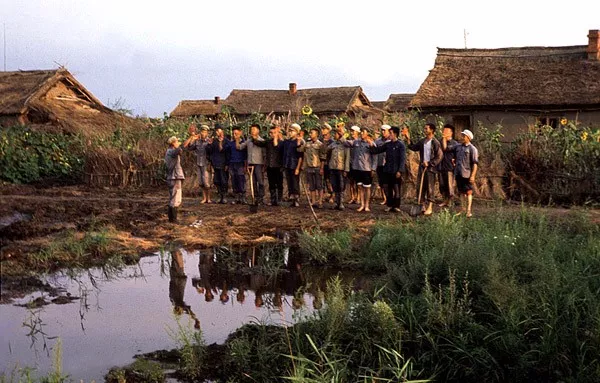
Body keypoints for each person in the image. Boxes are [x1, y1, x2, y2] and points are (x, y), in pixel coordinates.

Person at [402, 123, 443, 216]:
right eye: (424, 128)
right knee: (420, 186)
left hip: (430, 168)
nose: (424, 130)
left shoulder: (435, 142)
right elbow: (413, 147)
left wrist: (430, 163)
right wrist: (408, 138)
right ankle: (422, 205)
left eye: (426, 129)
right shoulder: (423, 141)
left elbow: (439, 156)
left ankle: (430, 207)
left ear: (432, 130)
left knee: (430, 187)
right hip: (422, 167)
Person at [369, 126, 406, 212]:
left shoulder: (400, 145)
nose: (389, 135)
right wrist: (371, 145)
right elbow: (377, 150)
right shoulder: (388, 144)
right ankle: (389, 204)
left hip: (396, 170)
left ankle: (397, 206)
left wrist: (400, 170)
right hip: (387, 169)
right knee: (386, 187)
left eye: (391, 133)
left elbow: (402, 159)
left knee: (396, 188)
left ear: (395, 134)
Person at [342, 126, 377, 212]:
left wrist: (373, 169)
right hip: (357, 168)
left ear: (367, 134)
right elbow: (345, 143)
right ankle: (361, 205)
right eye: (361, 132)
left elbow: (375, 157)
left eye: (363, 132)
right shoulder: (356, 142)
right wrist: (342, 134)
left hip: (367, 169)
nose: (361, 133)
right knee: (360, 187)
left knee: (367, 188)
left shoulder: (371, 144)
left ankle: (367, 205)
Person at [253, 125, 284, 206]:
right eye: (271, 133)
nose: (272, 134)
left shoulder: (282, 143)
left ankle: (279, 200)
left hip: (279, 167)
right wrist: (254, 137)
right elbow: (259, 143)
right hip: (270, 166)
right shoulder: (268, 142)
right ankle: (273, 200)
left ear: (277, 133)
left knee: (279, 184)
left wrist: (276, 139)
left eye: (274, 133)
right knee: (272, 184)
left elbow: (277, 147)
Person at [298, 127, 328, 208]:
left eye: (312, 133)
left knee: (319, 185)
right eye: (310, 133)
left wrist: (322, 168)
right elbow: (300, 150)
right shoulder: (307, 144)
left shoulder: (320, 145)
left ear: (317, 134)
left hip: (317, 167)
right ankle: (313, 201)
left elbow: (323, 157)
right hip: (309, 167)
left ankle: (320, 201)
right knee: (311, 186)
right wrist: (300, 140)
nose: (310, 134)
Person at [184, 124, 213, 204]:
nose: (203, 133)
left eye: (205, 132)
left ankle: (209, 198)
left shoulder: (209, 141)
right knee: (201, 182)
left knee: (207, 182)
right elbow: (189, 147)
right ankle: (204, 198)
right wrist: (192, 138)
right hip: (198, 163)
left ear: (207, 133)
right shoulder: (197, 141)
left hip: (206, 164)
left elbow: (212, 152)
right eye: (202, 131)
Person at [453, 129, 479, 217]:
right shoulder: (459, 147)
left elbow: (475, 164)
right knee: (461, 192)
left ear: (468, 137)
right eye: (462, 135)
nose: (462, 137)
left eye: (464, 136)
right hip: (459, 172)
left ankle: (468, 211)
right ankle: (462, 209)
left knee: (469, 192)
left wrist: (473, 176)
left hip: (467, 173)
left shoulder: (473, 149)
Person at [239, 123, 266, 204]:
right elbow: (240, 147)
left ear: (258, 130)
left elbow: (264, 154)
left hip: (259, 164)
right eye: (251, 130)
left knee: (260, 181)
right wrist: (237, 138)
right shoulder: (249, 141)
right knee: (253, 182)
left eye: (254, 129)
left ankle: (261, 197)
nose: (252, 131)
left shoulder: (262, 141)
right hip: (250, 164)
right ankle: (255, 197)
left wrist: (264, 165)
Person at [326, 128, 350, 210]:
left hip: (341, 168)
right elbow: (327, 151)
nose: (334, 135)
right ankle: (336, 202)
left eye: (336, 134)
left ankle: (341, 202)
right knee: (334, 185)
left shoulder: (345, 144)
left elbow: (347, 157)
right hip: (333, 167)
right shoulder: (333, 144)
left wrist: (346, 169)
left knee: (341, 186)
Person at [282, 123, 304, 207]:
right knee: (289, 182)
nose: (290, 133)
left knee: (295, 182)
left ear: (297, 132)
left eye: (292, 131)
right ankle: (291, 197)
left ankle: (296, 198)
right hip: (287, 164)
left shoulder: (299, 142)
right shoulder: (287, 142)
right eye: (290, 131)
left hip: (294, 165)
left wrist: (298, 167)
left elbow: (300, 156)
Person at [208, 124, 231, 204]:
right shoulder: (214, 141)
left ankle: (224, 196)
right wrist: (209, 144)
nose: (217, 132)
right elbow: (209, 152)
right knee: (216, 181)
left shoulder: (227, 141)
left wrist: (227, 164)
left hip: (223, 164)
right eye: (216, 131)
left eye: (218, 130)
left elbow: (227, 152)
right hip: (215, 163)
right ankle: (219, 195)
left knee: (224, 180)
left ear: (222, 131)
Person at [165, 136, 185, 223]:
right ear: (173, 143)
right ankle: (173, 219)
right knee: (175, 198)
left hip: (172, 176)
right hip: (174, 176)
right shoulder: (171, 151)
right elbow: (180, 149)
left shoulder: (169, 151)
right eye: (177, 142)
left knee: (173, 197)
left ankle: (172, 219)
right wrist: (191, 138)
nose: (178, 143)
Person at [439, 123, 458, 207]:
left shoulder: (454, 143)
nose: (444, 132)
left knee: (450, 186)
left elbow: (445, 148)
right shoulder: (439, 141)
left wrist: (443, 139)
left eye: (446, 131)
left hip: (450, 167)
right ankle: (444, 200)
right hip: (440, 166)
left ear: (451, 133)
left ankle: (450, 202)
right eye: (444, 130)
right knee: (442, 185)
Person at [228, 127, 248, 204]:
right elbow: (228, 154)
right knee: (234, 180)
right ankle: (236, 197)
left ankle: (243, 197)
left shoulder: (243, 143)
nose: (234, 135)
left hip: (240, 163)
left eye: (236, 133)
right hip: (232, 163)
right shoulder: (231, 144)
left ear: (240, 133)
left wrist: (245, 166)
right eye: (233, 133)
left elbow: (245, 155)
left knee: (241, 180)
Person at [375, 125, 391, 205]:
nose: (383, 132)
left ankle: (390, 198)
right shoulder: (378, 141)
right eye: (382, 130)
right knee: (381, 183)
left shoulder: (392, 141)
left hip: (388, 165)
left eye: (384, 130)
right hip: (380, 164)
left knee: (389, 183)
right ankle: (384, 198)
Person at [346, 125, 361, 204]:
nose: (352, 133)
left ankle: (358, 197)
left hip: (358, 165)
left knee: (358, 182)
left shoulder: (359, 141)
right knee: (351, 182)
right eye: (351, 131)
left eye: (353, 131)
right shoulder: (349, 141)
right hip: (350, 164)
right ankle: (352, 197)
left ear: (357, 132)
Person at [320, 123, 334, 203]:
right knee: (323, 181)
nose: (322, 131)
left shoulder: (332, 142)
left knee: (329, 181)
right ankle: (323, 195)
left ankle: (332, 195)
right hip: (321, 163)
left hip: (329, 163)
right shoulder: (320, 140)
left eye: (324, 129)